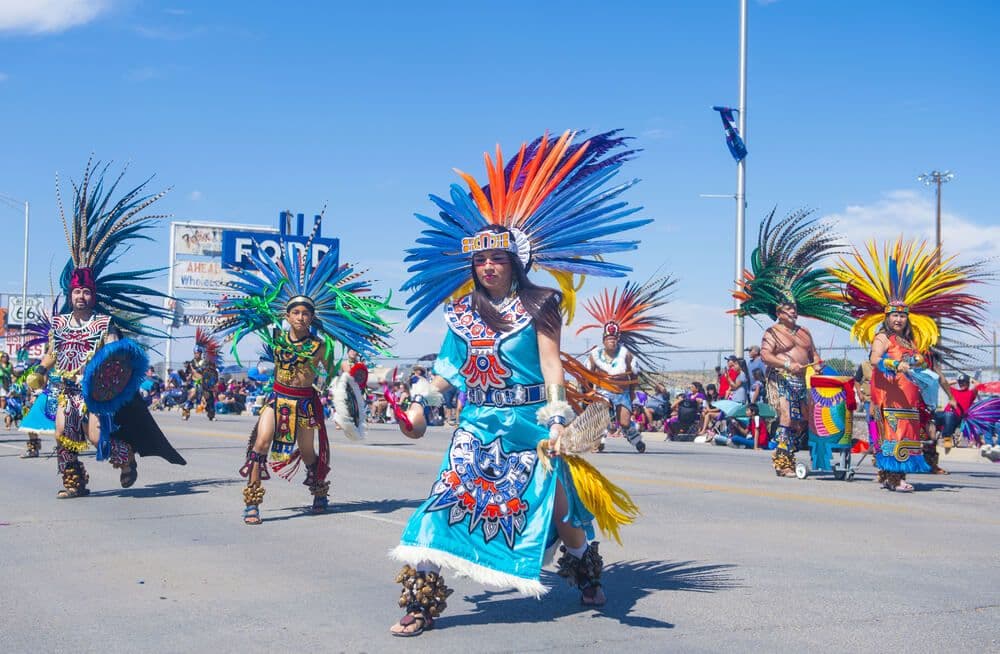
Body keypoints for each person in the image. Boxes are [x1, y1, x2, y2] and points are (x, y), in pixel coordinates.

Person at [388, 130, 647, 636]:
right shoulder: (461, 312)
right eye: (480, 260)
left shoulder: (541, 304)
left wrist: (556, 418)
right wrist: (419, 402)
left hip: (532, 424)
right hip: (477, 424)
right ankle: (420, 602)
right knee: (441, 504)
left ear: (515, 263)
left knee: (560, 512)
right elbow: (447, 371)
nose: (487, 266)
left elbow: (551, 365)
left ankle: (585, 571)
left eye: (497, 259)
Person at [215, 212, 392, 524]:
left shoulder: (320, 346)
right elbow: (253, 313)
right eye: (295, 312)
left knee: (308, 453)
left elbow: (336, 373)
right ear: (287, 315)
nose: (300, 317)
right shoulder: (276, 337)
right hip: (277, 398)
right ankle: (253, 502)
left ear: (312, 317)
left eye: (305, 313)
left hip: (306, 403)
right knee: (261, 443)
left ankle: (319, 489)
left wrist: (347, 389)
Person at [37, 160, 187, 498]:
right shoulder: (59, 324)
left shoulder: (104, 323)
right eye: (77, 291)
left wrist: (109, 363)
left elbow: (114, 355)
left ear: (94, 294)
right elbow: (51, 355)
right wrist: (38, 371)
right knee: (62, 432)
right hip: (66, 391)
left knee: (94, 437)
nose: (81, 296)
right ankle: (74, 481)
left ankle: (126, 459)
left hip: (94, 394)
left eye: (87, 291)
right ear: (70, 294)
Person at [830, 239, 988, 491]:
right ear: (887, 317)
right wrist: (894, 364)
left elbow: (920, 361)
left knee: (905, 435)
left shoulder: (907, 340)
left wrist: (916, 360)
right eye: (894, 315)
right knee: (895, 436)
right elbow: (874, 359)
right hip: (890, 398)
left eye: (902, 315)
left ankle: (891, 476)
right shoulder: (883, 337)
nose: (899, 319)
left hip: (908, 398)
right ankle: (895, 478)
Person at [733, 208, 851, 477]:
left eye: (795, 309)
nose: (793, 312)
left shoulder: (805, 332)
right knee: (786, 416)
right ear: (778, 312)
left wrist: (818, 365)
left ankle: (799, 455)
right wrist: (787, 363)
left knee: (803, 422)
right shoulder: (772, 333)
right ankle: (782, 463)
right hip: (780, 381)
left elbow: (814, 355)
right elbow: (766, 357)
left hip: (805, 381)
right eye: (788, 309)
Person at [577, 278, 674, 454]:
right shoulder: (594, 355)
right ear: (604, 340)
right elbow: (586, 375)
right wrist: (587, 393)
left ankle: (636, 440)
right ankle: (597, 442)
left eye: (614, 339)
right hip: (602, 392)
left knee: (624, 422)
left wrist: (631, 393)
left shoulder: (626, 354)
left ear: (618, 339)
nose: (612, 341)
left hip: (621, 394)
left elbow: (634, 376)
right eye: (609, 339)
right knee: (601, 418)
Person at [181, 329, 220, 421]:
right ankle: (186, 412)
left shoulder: (206, 362)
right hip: (195, 383)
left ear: (201, 353)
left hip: (205, 384)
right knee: (192, 394)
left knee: (209, 398)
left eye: (197, 353)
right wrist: (187, 377)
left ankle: (211, 414)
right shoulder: (191, 363)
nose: (196, 354)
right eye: (195, 353)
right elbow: (187, 375)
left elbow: (209, 372)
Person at [934, 374, 978, 449]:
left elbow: (978, 385)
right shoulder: (954, 391)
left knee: (949, 415)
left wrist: (971, 380)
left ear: (968, 383)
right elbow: (944, 384)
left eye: (964, 382)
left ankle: (947, 440)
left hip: (957, 417)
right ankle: (927, 437)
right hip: (945, 415)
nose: (962, 384)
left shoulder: (971, 394)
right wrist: (956, 381)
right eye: (960, 382)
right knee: (932, 414)